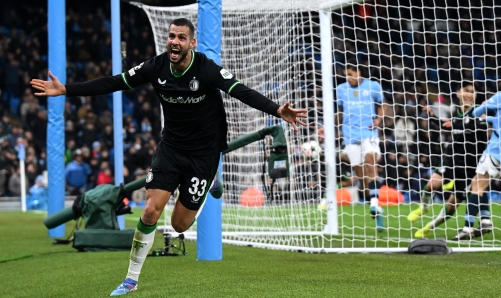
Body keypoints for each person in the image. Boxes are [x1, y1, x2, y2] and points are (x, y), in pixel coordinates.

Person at [30, 18, 307, 296]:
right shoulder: (156, 66)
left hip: (204, 153)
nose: (175, 41)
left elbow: (241, 91)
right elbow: (115, 82)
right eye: (172, 36)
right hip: (172, 148)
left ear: (192, 43)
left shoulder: (207, 69)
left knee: (179, 225)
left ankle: (210, 180)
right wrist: (66, 89)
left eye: (181, 37)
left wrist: (275, 110)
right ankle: (131, 279)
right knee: (150, 210)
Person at [453, 66, 501, 240]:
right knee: (480, 183)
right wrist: (493, 119)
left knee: (476, 187)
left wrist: (484, 108)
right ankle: (485, 220)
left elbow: (476, 113)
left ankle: (467, 228)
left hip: (496, 149)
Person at [407, 81, 488, 238]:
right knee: (432, 184)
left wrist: (460, 124)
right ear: (458, 93)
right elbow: (447, 126)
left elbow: (476, 129)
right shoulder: (456, 113)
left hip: (470, 167)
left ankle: (429, 227)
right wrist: (432, 117)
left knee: (451, 207)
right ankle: (424, 208)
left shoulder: (479, 113)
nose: (469, 95)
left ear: (476, 96)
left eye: (472, 92)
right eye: (466, 91)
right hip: (452, 158)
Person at [335, 60, 386, 232]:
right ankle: (377, 211)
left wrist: (378, 119)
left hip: (368, 133)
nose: (348, 78)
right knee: (362, 176)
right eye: (346, 75)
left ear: (359, 72)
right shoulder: (341, 89)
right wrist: (327, 128)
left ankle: (374, 203)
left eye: (351, 74)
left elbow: (383, 104)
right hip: (350, 136)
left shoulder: (373, 86)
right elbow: (340, 113)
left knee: (371, 162)